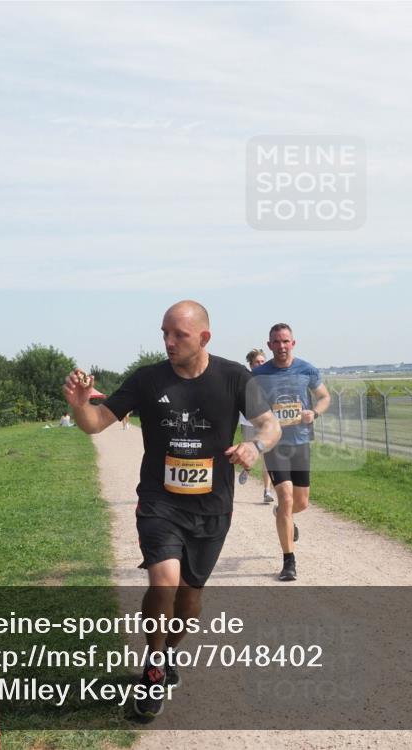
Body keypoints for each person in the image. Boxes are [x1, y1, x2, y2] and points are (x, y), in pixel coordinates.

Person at [62, 300, 280, 720]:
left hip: (213, 507)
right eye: (164, 332)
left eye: (178, 334)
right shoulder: (147, 379)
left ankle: (166, 651)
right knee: (164, 582)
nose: (168, 341)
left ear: (204, 337)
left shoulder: (235, 376)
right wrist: (77, 403)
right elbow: (94, 423)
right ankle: (154, 668)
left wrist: (255, 445)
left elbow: (271, 425)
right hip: (160, 501)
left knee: (189, 601)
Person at [251, 323, 330, 582]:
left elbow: (324, 397)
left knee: (301, 503)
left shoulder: (307, 369)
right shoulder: (259, 374)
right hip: (275, 444)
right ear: (270, 345)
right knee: (285, 498)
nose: (282, 346)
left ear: (293, 343)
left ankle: (281, 515)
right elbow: (251, 405)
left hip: (301, 441)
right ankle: (289, 562)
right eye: (277, 342)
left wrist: (314, 412)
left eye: (286, 341)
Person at [240, 348, 276, 503]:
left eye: (263, 361)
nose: (261, 364)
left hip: (265, 424)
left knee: (266, 457)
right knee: (250, 453)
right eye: (257, 362)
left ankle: (267, 491)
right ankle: (247, 469)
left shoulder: (269, 380)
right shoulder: (245, 379)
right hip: (247, 422)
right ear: (251, 364)